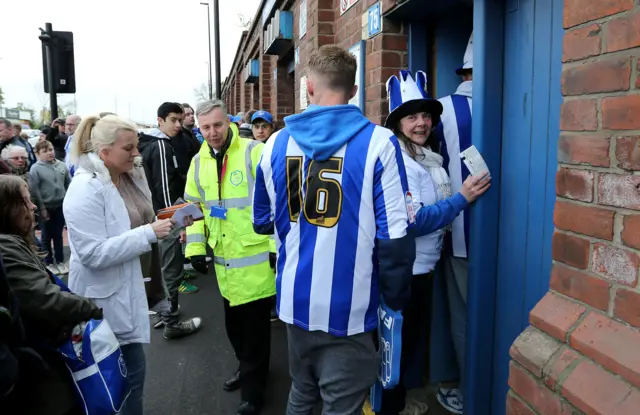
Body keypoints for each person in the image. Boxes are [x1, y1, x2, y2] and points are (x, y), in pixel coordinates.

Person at [252, 44, 416, 415]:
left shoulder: (273, 144)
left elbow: (261, 220)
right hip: (352, 308)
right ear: (354, 91)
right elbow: (395, 239)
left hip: (294, 300)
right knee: (341, 406)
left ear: (308, 86)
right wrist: (395, 301)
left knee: (302, 392)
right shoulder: (379, 142)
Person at [378, 70, 490, 415]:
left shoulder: (426, 156)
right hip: (404, 272)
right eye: (412, 116)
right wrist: (462, 199)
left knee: (407, 344)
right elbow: (414, 220)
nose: (422, 123)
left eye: (426, 115)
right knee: (395, 347)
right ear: (398, 122)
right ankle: (387, 408)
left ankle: (393, 403)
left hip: (423, 269)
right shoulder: (399, 159)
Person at [63, 114, 179, 415]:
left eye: (136, 146)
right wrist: (147, 233)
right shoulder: (84, 189)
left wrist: (169, 221)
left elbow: (141, 219)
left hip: (131, 286)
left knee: (133, 378)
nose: (137, 154)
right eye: (129, 148)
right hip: (103, 302)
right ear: (104, 152)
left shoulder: (130, 174)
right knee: (115, 384)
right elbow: (92, 254)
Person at [184, 100, 275, 415]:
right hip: (224, 266)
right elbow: (193, 211)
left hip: (257, 263)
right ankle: (246, 367)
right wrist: (195, 249)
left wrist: (277, 249)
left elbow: (279, 203)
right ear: (199, 128)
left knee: (255, 333)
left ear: (230, 123)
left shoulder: (254, 152)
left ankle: (253, 392)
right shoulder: (198, 163)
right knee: (235, 330)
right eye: (206, 127)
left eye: (218, 125)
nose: (213, 132)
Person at [0, 174, 102, 415]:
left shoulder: (13, 242)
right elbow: (45, 299)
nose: (33, 206)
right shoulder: (6, 248)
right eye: (26, 201)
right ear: (7, 209)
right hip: (38, 364)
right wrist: (93, 308)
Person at [434, 32, 474, 415]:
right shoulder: (509, 98)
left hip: (458, 230)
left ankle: (470, 389)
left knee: (463, 315)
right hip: (508, 234)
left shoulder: (442, 109)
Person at [138, 102, 202, 313]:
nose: (178, 124)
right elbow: (164, 189)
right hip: (166, 219)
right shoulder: (160, 145)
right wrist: (175, 224)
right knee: (170, 270)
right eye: (173, 120)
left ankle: (166, 314)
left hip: (160, 218)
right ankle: (169, 318)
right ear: (160, 121)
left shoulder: (162, 143)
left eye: (179, 119)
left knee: (167, 268)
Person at [29, 140, 71, 275]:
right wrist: (41, 209)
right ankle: (48, 262)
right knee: (46, 237)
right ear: (38, 154)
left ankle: (59, 261)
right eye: (45, 151)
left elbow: (68, 185)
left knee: (58, 235)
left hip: (60, 206)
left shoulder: (62, 165)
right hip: (45, 208)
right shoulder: (36, 168)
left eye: (51, 149)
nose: (49, 153)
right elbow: (35, 191)